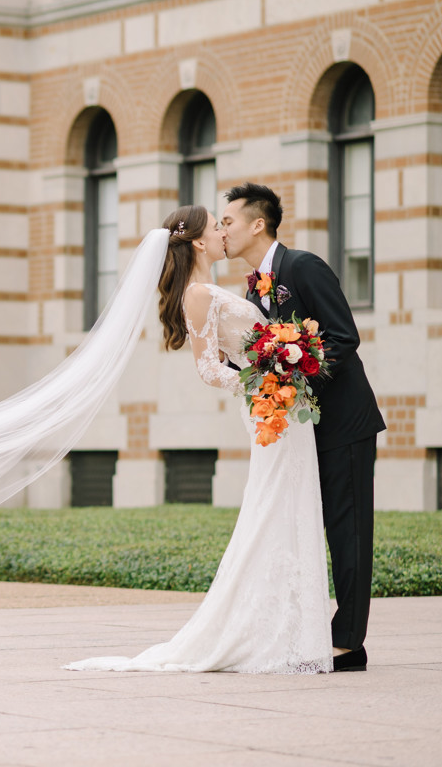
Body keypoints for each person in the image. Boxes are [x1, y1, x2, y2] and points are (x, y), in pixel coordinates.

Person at [63, 204, 334, 674]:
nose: (224, 233)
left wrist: (276, 368)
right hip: (270, 409)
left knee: (288, 508)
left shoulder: (212, 289)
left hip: (281, 408)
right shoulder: (196, 295)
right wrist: (264, 381)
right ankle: (273, 633)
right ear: (198, 243)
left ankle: (294, 629)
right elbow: (208, 368)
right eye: (217, 227)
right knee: (273, 508)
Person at [220, 183, 385, 672]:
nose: (222, 229)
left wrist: (293, 371)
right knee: (306, 529)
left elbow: (342, 337)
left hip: (344, 424)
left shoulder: (303, 266)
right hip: (301, 432)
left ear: (257, 224)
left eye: (227, 220)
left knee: (348, 532)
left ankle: (349, 643)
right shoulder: (254, 286)